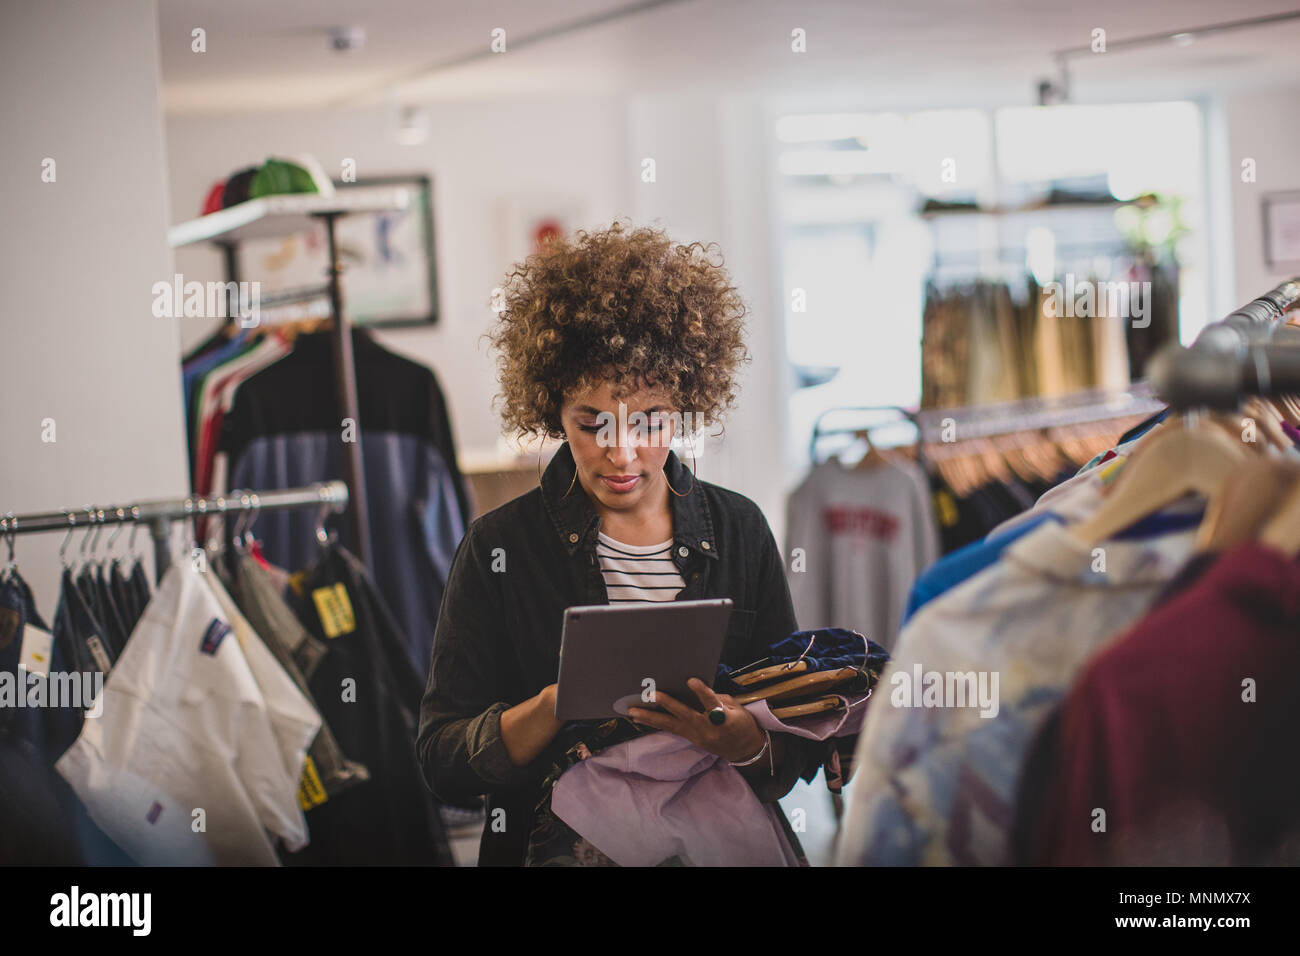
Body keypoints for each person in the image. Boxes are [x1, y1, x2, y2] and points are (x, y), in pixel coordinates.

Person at [416, 220, 821, 866]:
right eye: (592, 423)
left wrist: (741, 738)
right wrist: (551, 707)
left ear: (687, 404)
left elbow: (795, 744)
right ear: (554, 408)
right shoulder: (499, 548)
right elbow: (442, 761)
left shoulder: (740, 531)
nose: (623, 453)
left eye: (650, 421)